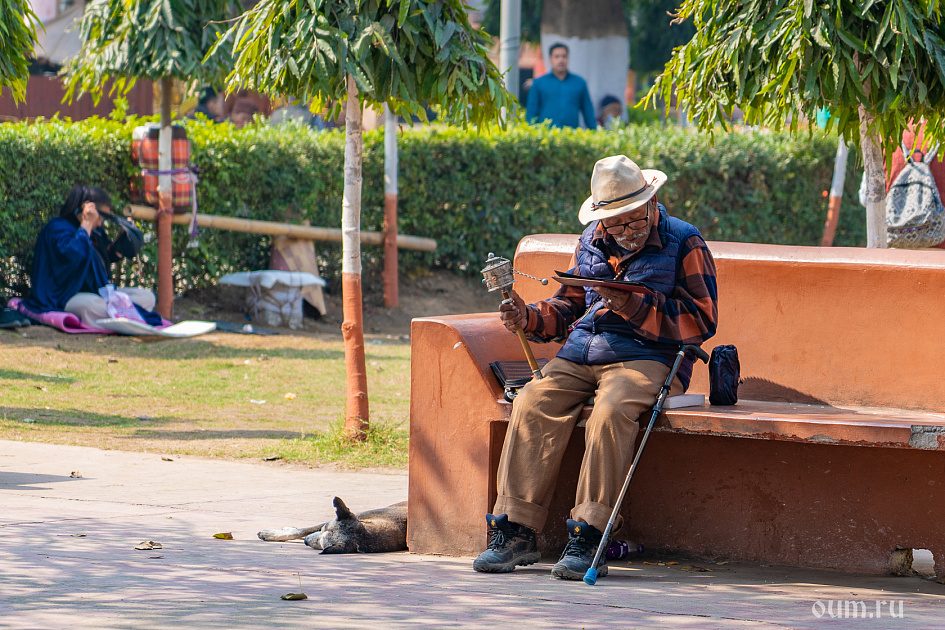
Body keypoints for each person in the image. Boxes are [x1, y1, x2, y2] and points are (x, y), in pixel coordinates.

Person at [472, 155, 718, 580]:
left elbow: (702, 320)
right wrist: (528, 318)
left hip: (649, 356)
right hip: (581, 352)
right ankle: (515, 530)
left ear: (651, 203)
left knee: (610, 411)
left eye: (634, 218)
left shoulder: (684, 241)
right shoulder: (591, 239)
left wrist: (635, 306)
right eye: (616, 223)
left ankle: (590, 534)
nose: (627, 229)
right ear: (602, 218)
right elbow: (569, 305)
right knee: (531, 400)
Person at [23, 185, 158, 328]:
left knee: (147, 298)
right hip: (66, 296)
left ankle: (116, 316)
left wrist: (123, 242)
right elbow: (72, 256)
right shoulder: (57, 228)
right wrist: (86, 223)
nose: (100, 223)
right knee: (92, 307)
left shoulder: (95, 231)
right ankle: (120, 317)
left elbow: (104, 259)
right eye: (100, 217)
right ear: (87, 210)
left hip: (99, 293)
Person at [525, 43, 597, 130]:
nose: (561, 60)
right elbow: (532, 113)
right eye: (557, 56)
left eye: (564, 56)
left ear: (568, 58)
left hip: (571, 137)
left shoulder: (579, 83)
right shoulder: (538, 83)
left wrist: (594, 133)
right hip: (545, 138)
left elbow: (588, 112)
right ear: (550, 59)